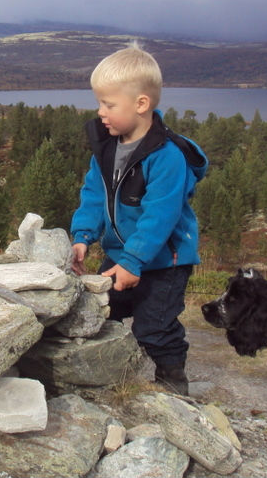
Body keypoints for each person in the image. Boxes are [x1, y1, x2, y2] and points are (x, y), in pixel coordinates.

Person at [70, 43, 208, 395]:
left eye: (109, 104)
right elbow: (94, 195)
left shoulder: (166, 157)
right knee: (101, 311)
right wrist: (83, 236)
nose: (101, 112)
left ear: (141, 104)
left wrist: (134, 261)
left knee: (154, 326)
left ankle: (173, 385)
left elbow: (160, 216)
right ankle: (107, 379)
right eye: (100, 102)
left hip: (164, 263)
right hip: (121, 255)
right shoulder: (107, 148)